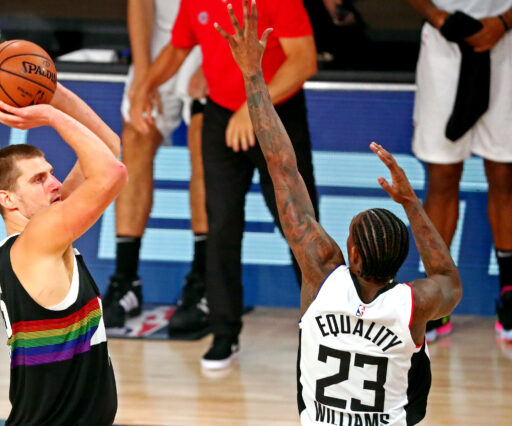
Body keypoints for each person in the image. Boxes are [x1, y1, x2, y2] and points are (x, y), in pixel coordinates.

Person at [216, 1, 462, 423]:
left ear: (351, 252)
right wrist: (412, 204)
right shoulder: (413, 304)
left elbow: (283, 169)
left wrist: (253, 74)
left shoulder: (322, 275)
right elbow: (448, 279)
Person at [130, 0, 319, 369]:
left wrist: (254, 107)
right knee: (220, 226)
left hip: (277, 113)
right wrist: (145, 85)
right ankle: (224, 334)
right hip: (221, 115)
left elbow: (303, 60)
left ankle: (323, 330)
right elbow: (178, 47)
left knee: (301, 227)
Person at [0, 83, 127, 425]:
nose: (55, 183)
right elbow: (112, 174)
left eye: (51, 173)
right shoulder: (36, 239)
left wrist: (48, 88)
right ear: (8, 200)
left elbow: (107, 148)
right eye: (38, 180)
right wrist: (49, 114)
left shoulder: (41, 235)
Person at [408, 0, 512, 341]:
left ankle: (510, 293)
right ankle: (436, 297)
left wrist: (504, 21)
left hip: (506, 42)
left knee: (505, 176)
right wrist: (438, 17)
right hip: (444, 45)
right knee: (441, 176)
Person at [103, 0, 210, 333]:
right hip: (163, 39)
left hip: (214, 34)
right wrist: (143, 75)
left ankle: (204, 282)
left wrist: (215, 61)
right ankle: (126, 280)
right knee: (136, 136)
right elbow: (141, 5)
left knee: (202, 138)